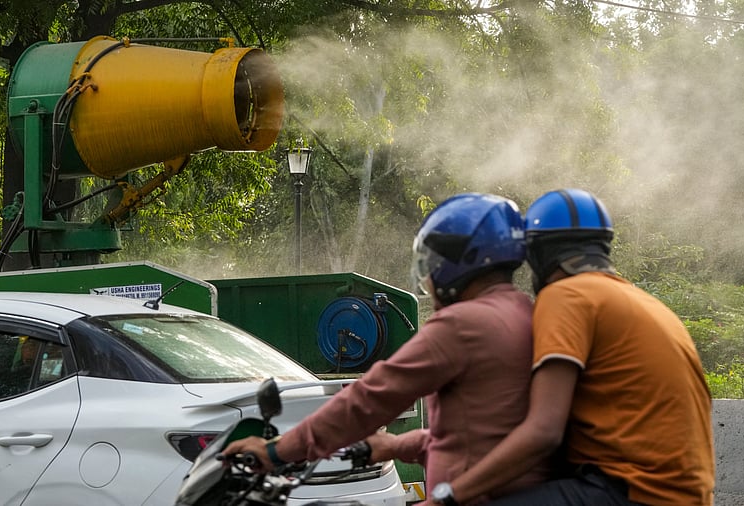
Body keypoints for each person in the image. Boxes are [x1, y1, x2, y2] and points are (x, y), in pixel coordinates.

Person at [223, 193, 553, 503]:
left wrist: (276, 451)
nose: (429, 278)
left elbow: (368, 400)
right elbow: (480, 437)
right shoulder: (525, 312)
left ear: (459, 261)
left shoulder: (462, 324)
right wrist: (397, 445)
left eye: (432, 264)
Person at [441, 188, 715, 506]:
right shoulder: (640, 301)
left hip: (634, 492)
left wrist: (451, 494)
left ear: (540, 256)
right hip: (682, 494)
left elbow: (543, 432)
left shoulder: (566, 296)